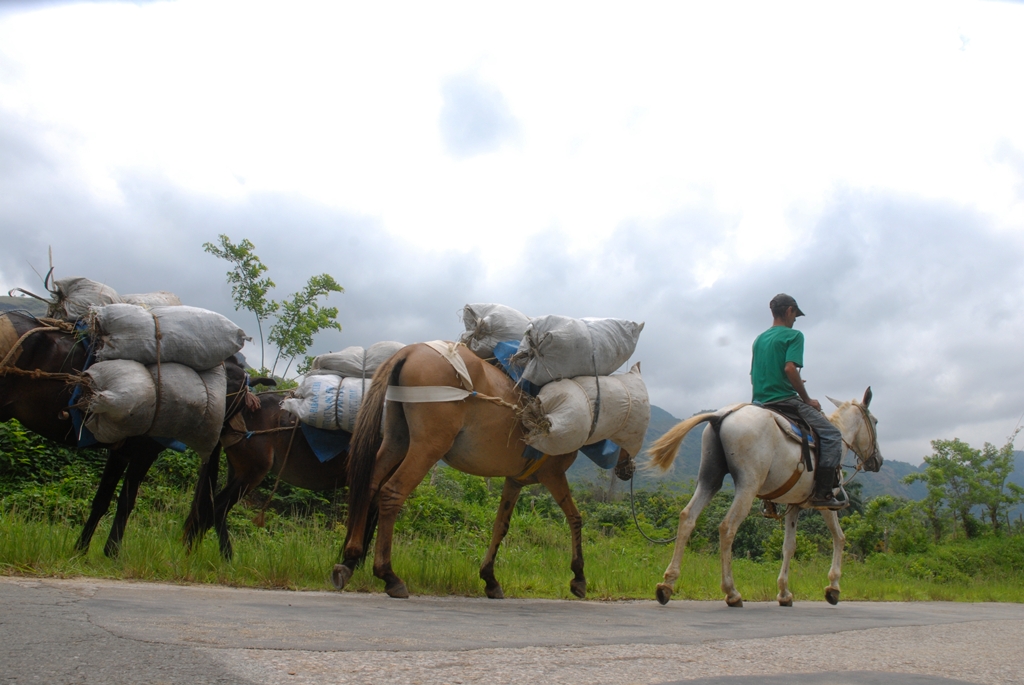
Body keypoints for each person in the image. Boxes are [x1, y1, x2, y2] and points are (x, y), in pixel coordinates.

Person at [751, 294, 846, 510]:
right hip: (784, 401)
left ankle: (769, 499)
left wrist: (786, 382)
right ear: (789, 311)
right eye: (795, 315)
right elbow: (789, 368)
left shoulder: (759, 339)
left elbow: (756, 375)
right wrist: (807, 399)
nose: (795, 320)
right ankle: (823, 493)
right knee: (832, 435)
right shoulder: (794, 336)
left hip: (758, 402)